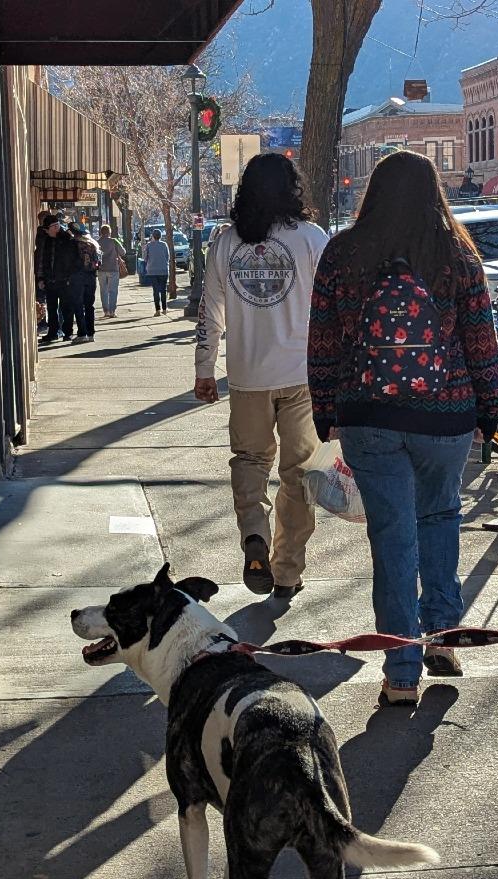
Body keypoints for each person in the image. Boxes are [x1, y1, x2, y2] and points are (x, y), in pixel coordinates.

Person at [307, 150, 498, 705]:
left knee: (392, 534)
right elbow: (480, 337)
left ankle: (400, 673)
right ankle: (443, 637)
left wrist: (326, 408)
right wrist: (491, 408)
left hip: (368, 415)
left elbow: (321, 337)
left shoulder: (343, 253)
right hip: (447, 414)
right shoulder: (455, 252)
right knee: (440, 516)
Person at [194, 153, 328, 600]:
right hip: (302, 377)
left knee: (250, 462)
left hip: (247, 376)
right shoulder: (312, 239)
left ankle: (256, 533)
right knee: (299, 474)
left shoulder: (226, 243)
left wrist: (204, 368)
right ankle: (287, 571)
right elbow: (331, 313)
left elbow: (209, 312)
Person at [37, 214, 79, 342]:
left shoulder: (67, 239)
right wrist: (41, 278)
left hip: (64, 280)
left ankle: (67, 332)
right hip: (50, 280)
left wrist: (69, 278)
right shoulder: (46, 241)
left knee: (66, 308)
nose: (53, 229)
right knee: (52, 308)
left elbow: (73, 261)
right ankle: (53, 332)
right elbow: (42, 261)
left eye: (55, 226)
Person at [69, 222, 101, 341]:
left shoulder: (73, 244)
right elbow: (98, 262)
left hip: (77, 277)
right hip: (91, 277)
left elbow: (70, 262)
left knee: (78, 305)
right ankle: (91, 333)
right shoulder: (93, 244)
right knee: (89, 306)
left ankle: (82, 334)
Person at [98, 224, 126, 318]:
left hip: (101, 269)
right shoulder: (114, 241)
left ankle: (105, 311)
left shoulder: (96, 242)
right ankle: (112, 311)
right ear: (109, 232)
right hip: (113, 268)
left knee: (103, 291)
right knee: (113, 291)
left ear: (101, 232)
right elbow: (123, 252)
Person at [142, 229, 170, 315]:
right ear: (160, 236)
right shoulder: (164, 245)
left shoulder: (149, 245)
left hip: (152, 270)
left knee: (155, 290)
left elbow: (145, 258)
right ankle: (164, 309)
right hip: (163, 270)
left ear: (153, 236)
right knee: (163, 290)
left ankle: (157, 310)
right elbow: (167, 257)